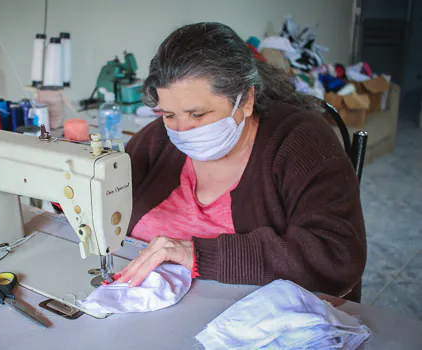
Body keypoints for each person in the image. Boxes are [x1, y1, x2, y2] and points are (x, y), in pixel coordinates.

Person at [116, 22, 366, 302]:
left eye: (197, 115)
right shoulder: (157, 141)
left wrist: (196, 255)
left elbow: (336, 254)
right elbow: (109, 197)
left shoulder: (301, 141)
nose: (181, 130)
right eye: (168, 114)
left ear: (246, 100)